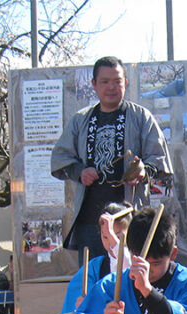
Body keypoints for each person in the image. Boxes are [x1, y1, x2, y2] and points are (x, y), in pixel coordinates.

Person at [51, 56, 173, 259]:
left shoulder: (141, 117)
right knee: (92, 283)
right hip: (91, 223)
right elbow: (60, 158)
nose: (111, 87)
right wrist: (79, 172)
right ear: (94, 85)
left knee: (130, 280)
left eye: (117, 81)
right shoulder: (80, 120)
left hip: (131, 221)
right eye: (105, 81)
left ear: (125, 82)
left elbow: (159, 159)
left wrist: (144, 172)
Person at [60, 202, 133, 314]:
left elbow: (128, 270)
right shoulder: (93, 269)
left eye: (117, 237)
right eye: (105, 237)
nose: (110, 242)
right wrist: (84, 307)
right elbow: (78, 313)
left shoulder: (140, 261)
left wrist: (111, 236)